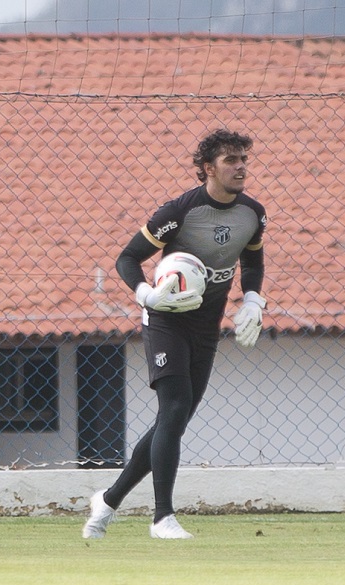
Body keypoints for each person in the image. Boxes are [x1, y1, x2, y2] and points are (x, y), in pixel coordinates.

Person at [83, 128, 268, 539]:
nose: (240, 167)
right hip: (166, 321)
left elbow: (253, 262)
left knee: (176, 419)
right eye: (230, 161)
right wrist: (146, 294)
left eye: (244, 160)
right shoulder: (179, 211)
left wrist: (253, 298)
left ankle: (109, 500)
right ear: (208, 169)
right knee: (176, 405)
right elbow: (128, 258)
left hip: (206, 325)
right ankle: (162, 517)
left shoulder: (252, 214)